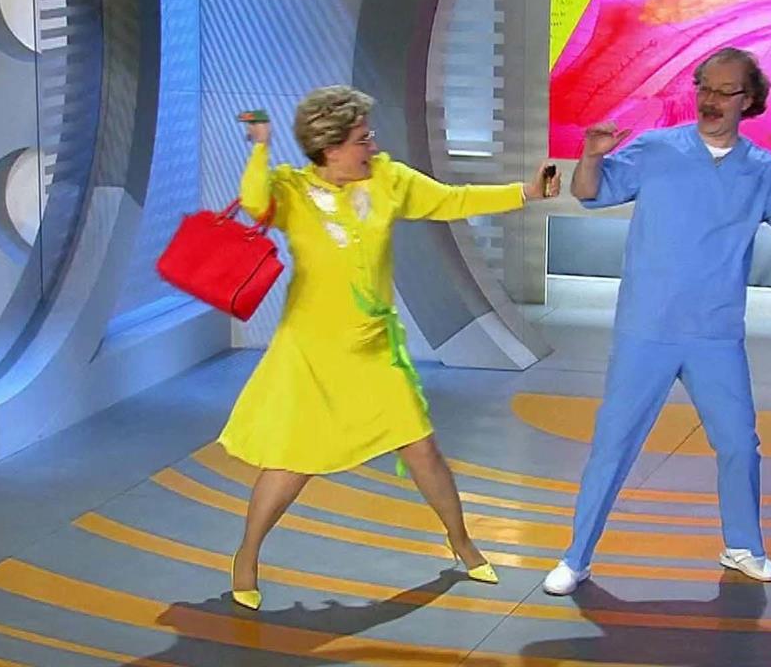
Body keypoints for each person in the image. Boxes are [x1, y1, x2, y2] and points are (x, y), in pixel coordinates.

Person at [219, 85, 559, 609]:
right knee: (294, 462)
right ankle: (246, 556)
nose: (373, 146)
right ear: (331, 148)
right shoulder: (292, 191)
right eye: (362, 139)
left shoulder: (388, 180)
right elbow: (254, 202)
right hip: (311, 356)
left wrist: (526, 192)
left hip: (375, 350)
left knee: (422, 448)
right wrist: (260, 145)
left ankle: (462, 542)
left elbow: (451, 200)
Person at [543, 47, 771, 595]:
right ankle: (576, 558)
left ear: (748, 100)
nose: (710, 100)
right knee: (613, 443)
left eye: (724, 91)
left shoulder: (763, 170)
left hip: (715, 333)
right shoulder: (656, 148)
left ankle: (743, 545)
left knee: (738, 443)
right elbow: (588, 190)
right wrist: (592, 156)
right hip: (646, 327)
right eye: (704, 88)